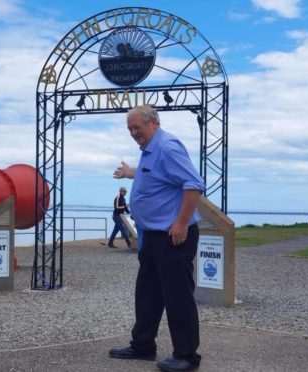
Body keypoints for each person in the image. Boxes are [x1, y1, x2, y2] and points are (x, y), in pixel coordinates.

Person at [108, 105, 205, 372]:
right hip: (152, 237)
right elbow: (157, 176)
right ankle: (143, 345)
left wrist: (182, 222)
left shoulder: (168, 146)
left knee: (177, 296)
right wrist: (131, 173)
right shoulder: (151, 151)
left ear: (154, 122)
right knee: (148, 293)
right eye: (130, 129)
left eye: (137, 127)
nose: (133, 133)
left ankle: (187, 356)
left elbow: (194, 185)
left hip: (173, 236)